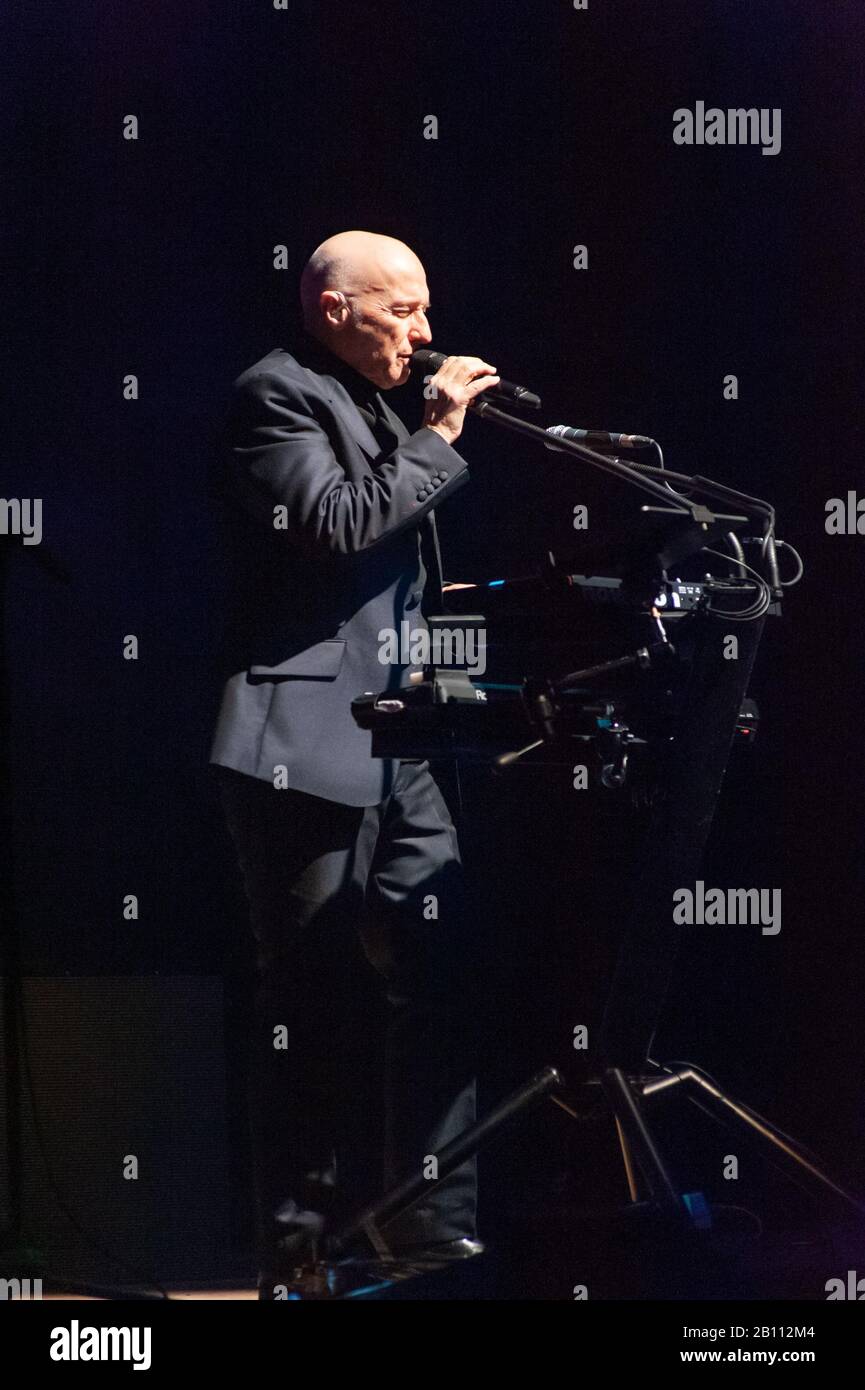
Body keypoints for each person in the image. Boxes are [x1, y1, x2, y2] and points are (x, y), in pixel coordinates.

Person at [209, 230, 501, 1296]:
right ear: (334, 308)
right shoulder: (271, 398)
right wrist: (437, 435)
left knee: (445, 966)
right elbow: (335, 525)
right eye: (400, 311)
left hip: (400, 742)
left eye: (425, 312)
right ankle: (304, 1255)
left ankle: (433, 1237)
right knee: (315, 997)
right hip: (302, 744)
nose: (423, 334)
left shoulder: (384, 407)